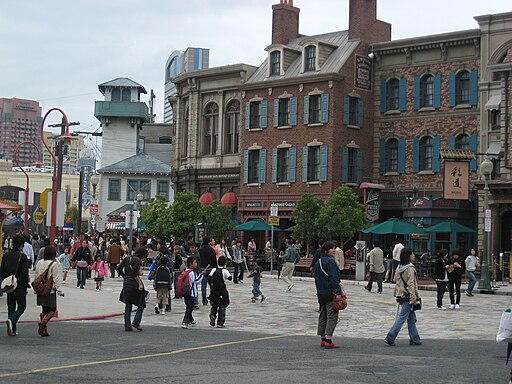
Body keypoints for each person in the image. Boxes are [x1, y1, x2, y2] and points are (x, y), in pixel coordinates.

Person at [384, 247, 421, 347]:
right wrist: (413, 298)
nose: (414, 256)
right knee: (402, 318)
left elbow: (396, 281)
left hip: (400, 295)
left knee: (411, 318)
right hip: (407, 296)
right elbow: (411, 284)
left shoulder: (399, 267)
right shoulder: (410, 268)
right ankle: (390, 337)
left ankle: (415, 339)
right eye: (412, 254)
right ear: (408, 256)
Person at [314, 241, 342, 349]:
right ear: (326, 250)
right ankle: (328, 338)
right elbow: (334, 278)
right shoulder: (330, 262)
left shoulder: (318, 262)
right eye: (332, 248)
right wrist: (338, 292)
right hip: (330, 292)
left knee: (322, 314)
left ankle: (322, 338)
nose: (334, 250)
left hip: (320, 292)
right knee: (332, 315)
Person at [1, 235, 30, 336]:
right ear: (21, 245)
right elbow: (24, 273)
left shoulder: (6, 256)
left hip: (9, 284)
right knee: (22, 306)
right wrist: (26, 285)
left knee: (11, 306)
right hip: (20, 284)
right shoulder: (23, 257)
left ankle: (13, 328)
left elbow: (2, 271)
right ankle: (12, 320)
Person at [34, 246, 64, 337]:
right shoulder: (54, 264)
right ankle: (43, 322)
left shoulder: (39, 263)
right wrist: (59, 291)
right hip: (50, 290)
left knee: (44, 309)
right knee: (52, 309)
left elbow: (36, 276)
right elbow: (55, 279)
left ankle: (44, 330)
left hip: (40, 289)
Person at [117, 247, 146, 331]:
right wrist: (140, 284)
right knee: (141, 303)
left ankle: (127, 325)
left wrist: (124, 276)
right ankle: (136, 322)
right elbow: (135, 274)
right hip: (134, 283)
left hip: (126, 283)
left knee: (128, 304)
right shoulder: (138, 261)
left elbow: (119, 268)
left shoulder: (126, 258)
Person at [181, 256, 207, 329]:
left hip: (186, 292)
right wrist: (202, 275)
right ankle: (185, 321)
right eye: (194, 262)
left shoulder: (185, 271)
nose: (196, 264)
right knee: (189, 308)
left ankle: (191, 320)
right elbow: (196, 281)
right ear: (190, 263)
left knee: (189, 306)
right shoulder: (192, 272)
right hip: (191, 292)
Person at [208, 255, 232, 328]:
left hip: (214, 290)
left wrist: (211, 285)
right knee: (222, 306)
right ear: (225, 263)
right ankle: (220, 322)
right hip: (222, 290)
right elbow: (230, 278)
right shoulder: (225, 271)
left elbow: (209, 277)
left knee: (214, 305)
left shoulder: (214, 269)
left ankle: (212, 316)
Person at [199, 237, 217, 305]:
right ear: (209, 242)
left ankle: (204, 300)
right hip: (211, 269)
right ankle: (212, 299)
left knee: (203, 285)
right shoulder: (211, 250)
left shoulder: (200, 250)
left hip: (203, 269)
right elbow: (214, 260)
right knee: (212, 285)